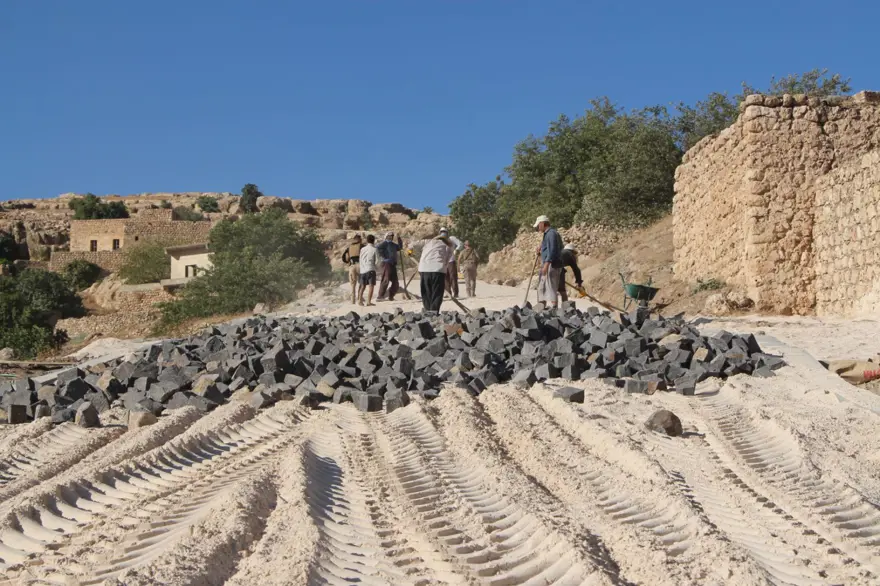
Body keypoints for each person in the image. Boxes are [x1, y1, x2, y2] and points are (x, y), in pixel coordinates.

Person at [409, 232, 452, 313]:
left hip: (424, 269)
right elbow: (447, 260)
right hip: (438, 270)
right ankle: (434, 312)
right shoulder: (447, 246)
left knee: (426, 292)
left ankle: (427, 311)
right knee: (437, 292)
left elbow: (412, 244)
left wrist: (409, 251)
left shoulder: (427, 242)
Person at [534, 215, 562, 309]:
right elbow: (547, 246)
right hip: (547, 264)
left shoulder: (551, 234)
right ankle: (541, 308)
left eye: (538, 225)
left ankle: (554, 309)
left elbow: (553, 250)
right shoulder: (547, 234)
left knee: (551, 288)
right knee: (542, 287)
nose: (538, 227)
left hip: (552, 265)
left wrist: (546, 264)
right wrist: (541, 247)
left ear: (542, 223)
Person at [375, 231, 403, 301]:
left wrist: (399, 238)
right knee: (386, 280)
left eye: (392, 236)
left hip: (393, 264)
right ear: (386, 236)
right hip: (386, 264)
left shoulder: (393, 244)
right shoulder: (385, 243)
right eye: (389, 236)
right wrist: (383, 257)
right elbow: (378, 248)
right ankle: (380, 296)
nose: (390, 237)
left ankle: (391, 296)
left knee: (395, 282)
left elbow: (399, 247)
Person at [439, 227, 463, 297]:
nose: (443, 233)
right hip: (443, 262)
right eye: (442, 231)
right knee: (445, 278)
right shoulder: (439, 240)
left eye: (444, 231)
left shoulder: (451, 238)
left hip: (451, 260)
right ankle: (448, 293)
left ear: (447, 232)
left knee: (453, 277)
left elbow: (460, 243)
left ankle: (456, 293)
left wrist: (456, 250)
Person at [341, 234, 363, 304]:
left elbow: (345, 258)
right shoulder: (362, 246)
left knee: (353, 285)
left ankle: (352, 301)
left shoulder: (349, 248)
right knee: (361, 283)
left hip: (352, 266)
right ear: (359, 239)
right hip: (360, 265)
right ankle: (360, 299)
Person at [357, 234, 379, 306]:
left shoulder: (362, 249)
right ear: (374, 241)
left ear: (367, 240)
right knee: (371, 286)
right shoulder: (375, 249)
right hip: (371, 269)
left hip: (362, 270)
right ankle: (369, 302)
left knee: (362, 286)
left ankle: (360, 301)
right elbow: (377, 261)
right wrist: (376, 267)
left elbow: (360, 259)